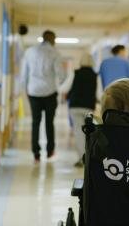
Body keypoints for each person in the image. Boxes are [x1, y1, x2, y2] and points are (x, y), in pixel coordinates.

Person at [21, 30, 66, 163]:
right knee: (49, 123)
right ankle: (50, 150)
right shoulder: (55, 53)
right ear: (52, 39)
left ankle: (36, 154)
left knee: (35, 123)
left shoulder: (29, 52)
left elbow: (24, 75)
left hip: (33, 92)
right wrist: (60, 85)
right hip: (50, 93)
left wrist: (27, 92)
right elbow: (61, 75)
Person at [66, 53, 97, 167]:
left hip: (75, 106)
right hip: (88, 107)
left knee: (79, 132)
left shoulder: (75, 73)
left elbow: (65, 87)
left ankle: (82, 157)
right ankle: (90, 157)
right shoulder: (95, 75)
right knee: (89, 132)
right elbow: (98, 93)